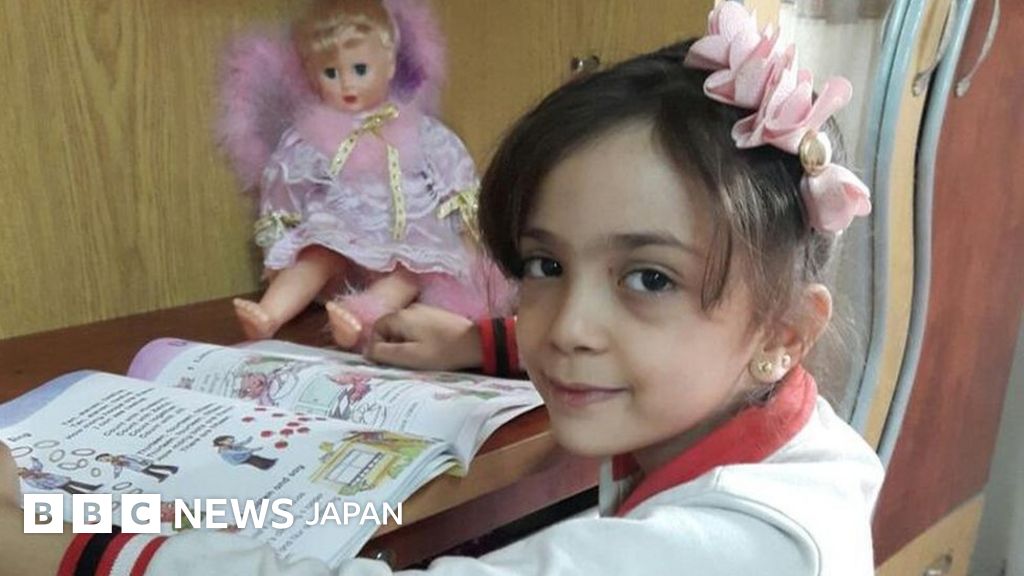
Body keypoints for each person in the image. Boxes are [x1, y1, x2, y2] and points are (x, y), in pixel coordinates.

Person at [0, 3, 882, 573]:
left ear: (786, 334)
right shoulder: (776, 434)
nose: (566, 327)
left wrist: (61, 547)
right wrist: (478, 342)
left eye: (648, 277)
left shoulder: (736, 546)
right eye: (543, 265)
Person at [224, 0, 511, 349]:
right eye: (331, 73)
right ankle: (270, 313)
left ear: (389, 65)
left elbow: (454, 170)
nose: (347, 84)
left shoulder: (418, 129)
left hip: (408, 231)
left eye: (360, 69)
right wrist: (281, 228)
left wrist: (467, 226)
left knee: (413, 271)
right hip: (343, 232)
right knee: (317, 254)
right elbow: (285, 180)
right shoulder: (312, 135)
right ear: (312, 75)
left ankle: (362, 314)